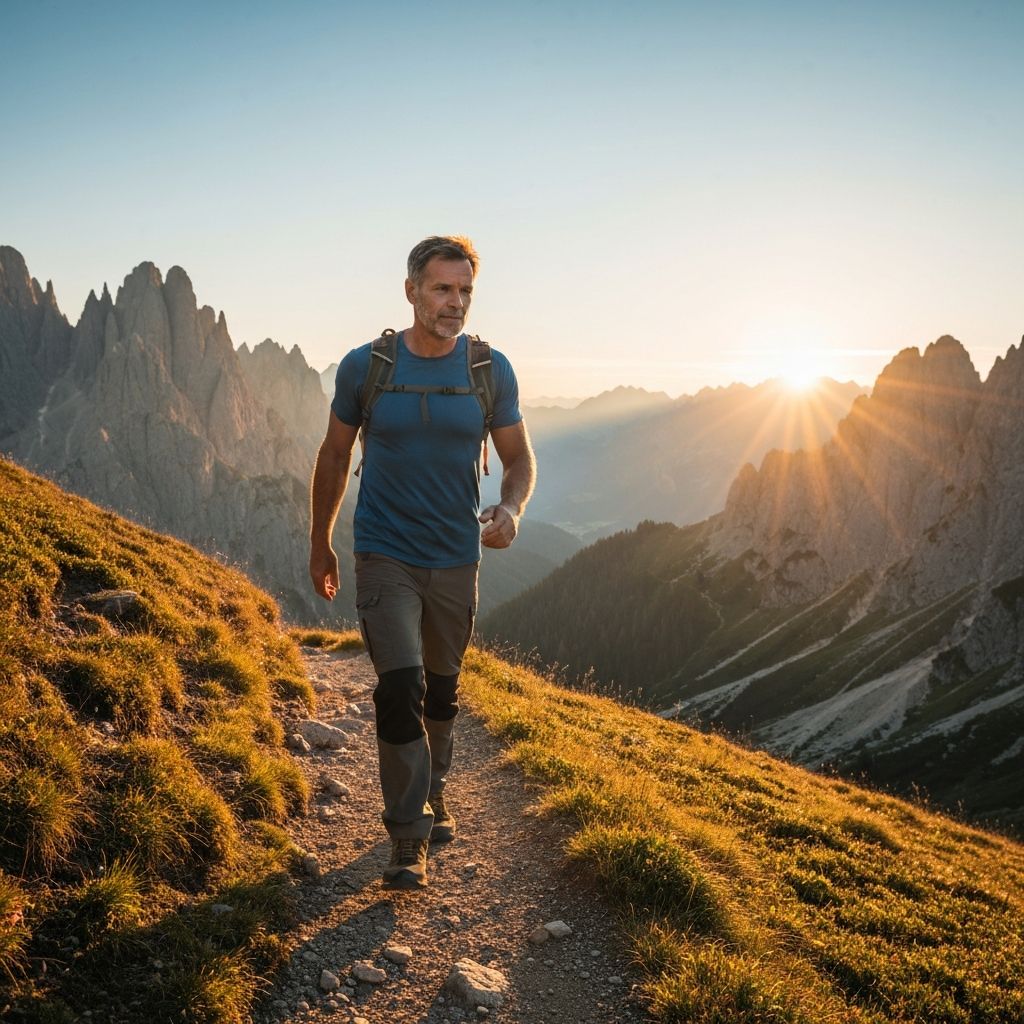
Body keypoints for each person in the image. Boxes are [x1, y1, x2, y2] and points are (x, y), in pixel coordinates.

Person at [309, 235, 536, 889]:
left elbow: (519, 460)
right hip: (384, 552)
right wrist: (320, 542)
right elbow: (331, 456)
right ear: (411, 291)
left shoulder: (490, 371)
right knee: (399, 687)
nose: (455, 302)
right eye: (442, 289)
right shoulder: (367, 367)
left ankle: (435, 794)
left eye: (465, 290)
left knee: (441, 692)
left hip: (455, 558)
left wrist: (511, 508)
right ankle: (408, 836)